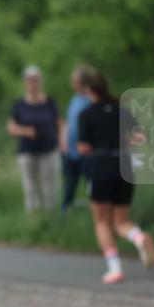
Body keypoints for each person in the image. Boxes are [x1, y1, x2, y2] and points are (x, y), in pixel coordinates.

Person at [77, 72, 154, 284]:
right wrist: (124, 145)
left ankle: (114, 269)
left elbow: (83, 148)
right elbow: (140, 136)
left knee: (102, 221)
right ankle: (139, 237)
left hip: (102, 166)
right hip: (125, 165)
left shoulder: (86, 114)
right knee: (121, 221)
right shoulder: (122, 109)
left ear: (88, 90)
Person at [7, 65, 63, 212]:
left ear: (40, 82)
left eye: (35, 80)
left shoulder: (50, 102)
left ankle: (49, 216)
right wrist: (25, 131)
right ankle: (33, 216)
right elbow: (11, 127)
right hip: (27, 150)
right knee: (30, 185)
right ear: (25, 83)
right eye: (30, 80)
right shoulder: (19, 104)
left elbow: (59, 124)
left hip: (48, 149)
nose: (33, 84)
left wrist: (62, 143)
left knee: (49, 184)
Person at [60, 64, 95, 216]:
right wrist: (63, 140)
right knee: (69, 184)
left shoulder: (92, 100)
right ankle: (65, 212)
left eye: (74, 81)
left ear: (82, 82)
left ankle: (97, 214)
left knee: (91, 184)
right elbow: (69, 122)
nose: (72, 84)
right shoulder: (74, 99)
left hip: (86, 152)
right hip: (70, 151)